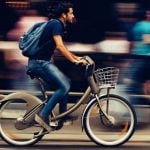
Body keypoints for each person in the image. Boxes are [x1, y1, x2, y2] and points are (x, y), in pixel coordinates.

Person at [27, 2, 87, 131]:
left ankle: (62, 116)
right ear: (64, 14)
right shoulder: (56, 24)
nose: (73, 15)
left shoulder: (56, 24)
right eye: (71, 13)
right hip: (40, 63)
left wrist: (76, 57)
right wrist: (74, 61)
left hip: (41, 62)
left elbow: (61, 48)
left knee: (65, 83)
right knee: (64, 86)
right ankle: (43, 115)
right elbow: (60, 46)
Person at [125, 8, 150, 105]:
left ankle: (132, 114)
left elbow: (131, 43)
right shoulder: (143, 26)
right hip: (145, 59)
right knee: (146, 84)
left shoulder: (138, 26)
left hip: (140, 59)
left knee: (131, 87)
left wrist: (129, 56)